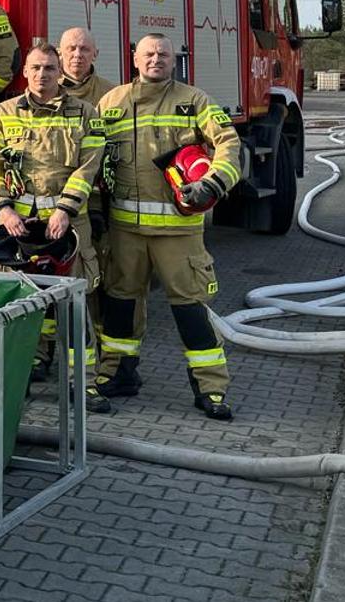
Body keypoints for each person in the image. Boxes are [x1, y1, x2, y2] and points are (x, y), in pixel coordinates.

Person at [96, 33, 246, 420]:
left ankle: (211, 389)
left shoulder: (194, 101)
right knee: (120, 309)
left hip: (178, 233)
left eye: (163, 54)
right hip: (125, 232)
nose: (156, 60)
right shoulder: (110, 103)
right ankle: (117, 375)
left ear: (173, 58)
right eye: (148, 54)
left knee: (190, 311)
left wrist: (212, 183)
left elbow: (229, 143)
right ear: (134, 59)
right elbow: (89, 157)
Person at [0, 43, 108, 410]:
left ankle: (85, 384)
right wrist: (3, 210)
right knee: (14, 307)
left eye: (49, 68)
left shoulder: (85, 113)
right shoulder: (3, 112)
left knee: (74, 309)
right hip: (17, 229)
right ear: (25, 72)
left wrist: (65, 209)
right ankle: (15, 377)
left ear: (59, 71)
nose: (42, 74)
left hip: (66, 228)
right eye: (35, 68)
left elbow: (89, 166)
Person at [56, 26, 138, 383]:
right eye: (71, 48)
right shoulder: (42, 92)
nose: (77, 55)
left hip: (104, 207)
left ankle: (116, 365)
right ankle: (50, 358)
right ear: (60, 54)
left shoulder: (114, 95)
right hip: (59, 212)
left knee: (107, 286)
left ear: (96, 54)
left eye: (84, 49)